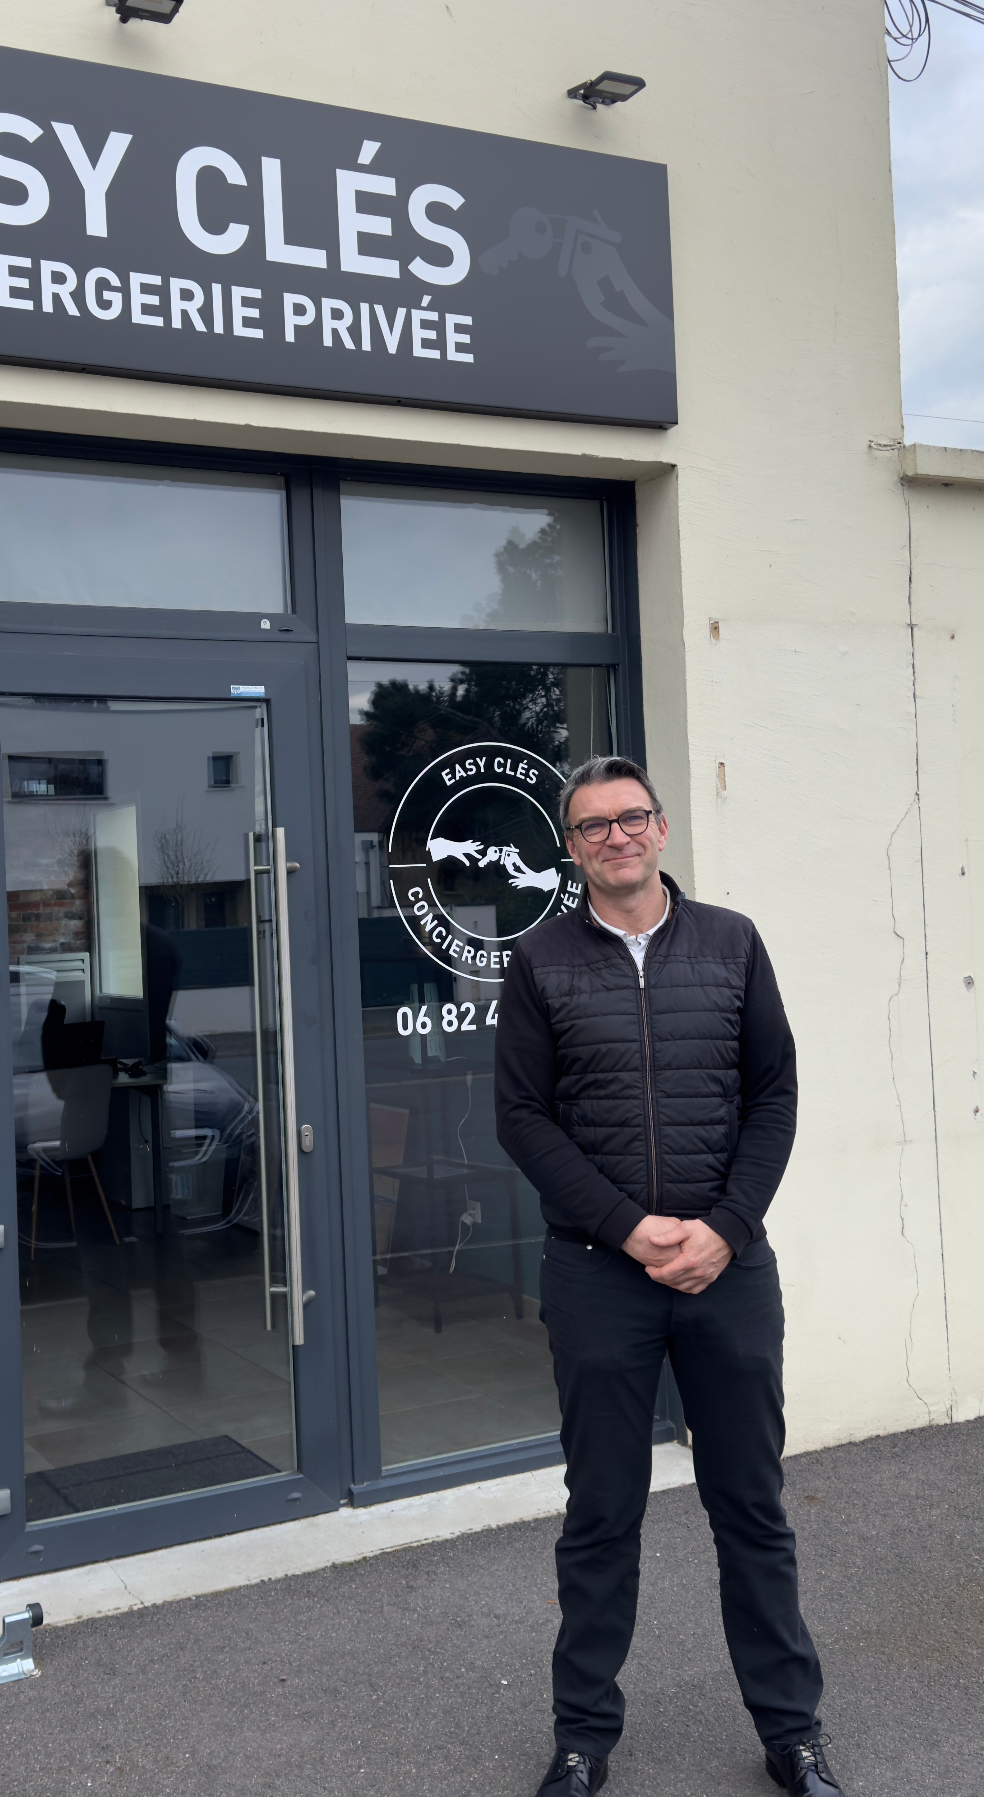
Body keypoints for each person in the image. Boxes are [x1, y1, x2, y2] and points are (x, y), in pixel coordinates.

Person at [493, 756, 842, 1797]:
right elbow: (521, 1117)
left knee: (751, 1507)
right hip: (596, 1272)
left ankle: (792, 1733)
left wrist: (725, 1228)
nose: (615, 836)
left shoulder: (731, 942)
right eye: (592, 825)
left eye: (630, 816)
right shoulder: (540, 959)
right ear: (570, 848)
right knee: (600, 1513)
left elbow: (773, 1095)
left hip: (727, 1270)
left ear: (659, 828)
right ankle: (580, 1740)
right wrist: (627, 1227)